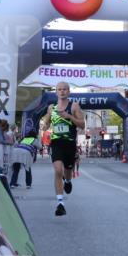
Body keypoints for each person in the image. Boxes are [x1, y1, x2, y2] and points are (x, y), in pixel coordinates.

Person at [39, 82, 85, 216]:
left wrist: (69, 116)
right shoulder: (51, 108)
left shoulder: (74, 106)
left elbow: (82, 124)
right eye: (59, 89)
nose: (62, 91)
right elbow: (46, 123)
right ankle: (60, 203)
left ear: (69, 91)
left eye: (64, 89)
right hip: (56, 143)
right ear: (56, 92)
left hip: (70, 143)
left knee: (68, 171)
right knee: (58, 170)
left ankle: (68, 180)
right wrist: (45, 126)